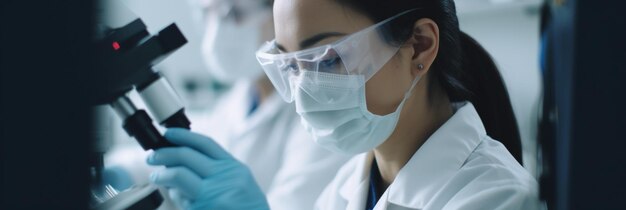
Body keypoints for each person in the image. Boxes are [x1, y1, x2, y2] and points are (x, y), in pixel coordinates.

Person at [148, 0, 543, 209]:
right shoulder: (346, 187)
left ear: (419, 46)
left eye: (326, 60)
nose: (302, 94)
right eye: (289, 66)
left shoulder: (497, 199)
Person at [147, 0, 350, 209]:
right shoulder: (239, 97)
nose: (218, 29)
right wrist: (121, 172)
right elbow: (190, 145)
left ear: (278, 10)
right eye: (208, 12)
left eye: (233, 13)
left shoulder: (319, 111)